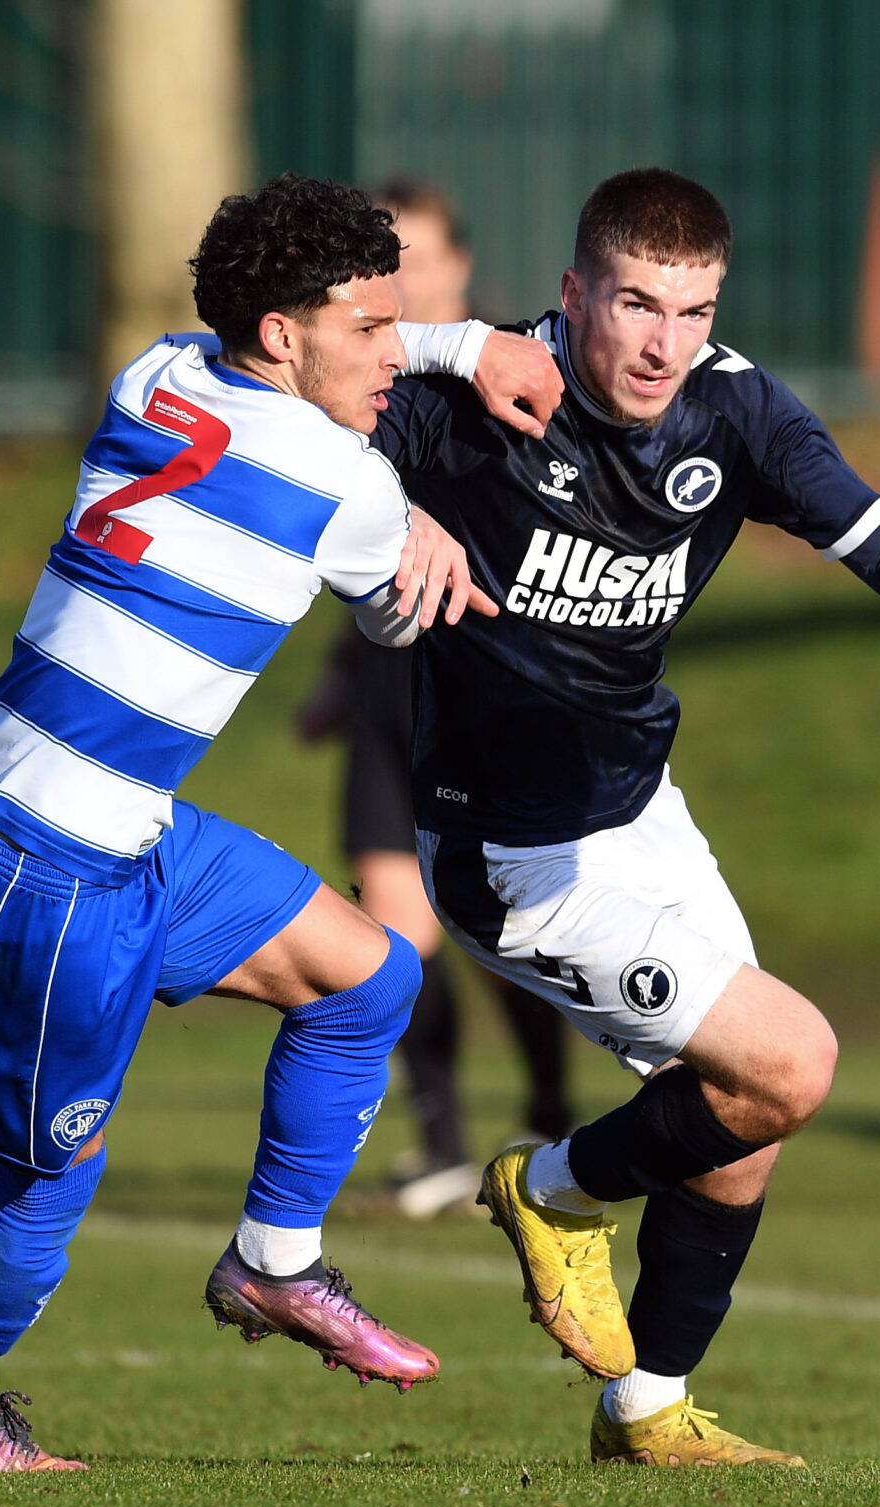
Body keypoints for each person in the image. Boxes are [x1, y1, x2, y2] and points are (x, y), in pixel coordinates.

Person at [368, 167, 880, 1465]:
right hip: (507, 851)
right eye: (636, 303)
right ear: (574, 292)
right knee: (791, 1060)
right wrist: (390, 510)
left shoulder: (739, 413)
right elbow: (288, 426)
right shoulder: (475, 396)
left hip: (640, 810)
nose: (662, 343)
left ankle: (647, 1407)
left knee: (745, 1114)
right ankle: (548, 1188)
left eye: (692, 311)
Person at [0, 174, 562, 1470]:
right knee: (50, 1172)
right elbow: (393, 615)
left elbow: (311, 418)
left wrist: (449, 350)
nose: (392, 354)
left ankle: (274, 1263)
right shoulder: (345, 481)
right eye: (370, 329)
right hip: (37, 877)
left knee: (368, 974)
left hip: (127, 835)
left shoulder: (159, 373)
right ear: (285, 334)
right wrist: (427, 518)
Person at [296, 180, 575, 1219]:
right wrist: (338, 675)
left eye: (415, 257)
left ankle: (549, 1116)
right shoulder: (353, 378)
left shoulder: (513, 373)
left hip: (490, 678)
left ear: (459, 265)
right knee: (391, 924)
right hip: (389, 682)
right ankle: (445, 1141)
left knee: (502, 927)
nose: (400, 280)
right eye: (380, 265)